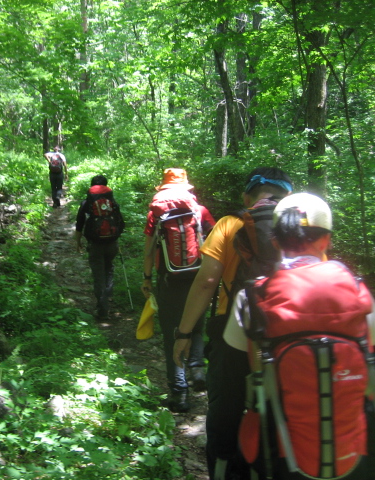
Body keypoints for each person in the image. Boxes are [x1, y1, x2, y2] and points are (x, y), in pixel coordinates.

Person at [224, 193, 375, 480]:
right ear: (326, 240)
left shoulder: (253, 296)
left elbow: (233, 370)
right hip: (354, 452)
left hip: (280, 453)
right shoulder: (358, 292)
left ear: (275, 241)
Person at [172, 167, 293, 480]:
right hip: (288, 337)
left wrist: (184, 333)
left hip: (231, 331)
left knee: (226, 413)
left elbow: (206, 282)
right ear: (288, 196)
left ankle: (224, 467)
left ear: (247, 196)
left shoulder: (230, 224)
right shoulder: (301, 230)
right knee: (281, 414)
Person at [141, 168, 216, 413]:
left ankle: (179, 394)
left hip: (168, 280)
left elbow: (149, 249)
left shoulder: (157, 212)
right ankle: (196, 368)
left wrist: (147, 277)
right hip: (197, 276)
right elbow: (216, 241)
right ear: (186, 188)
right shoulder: (200, 210)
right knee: (195, 324)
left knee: (172, 335)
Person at [74, 175, 125, 320]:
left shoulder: (87, 203)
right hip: (112, 244)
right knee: (108, 269)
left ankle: (102, 310)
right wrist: (115, 237)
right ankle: (107, 300)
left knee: (98, 275)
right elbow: (121, 223)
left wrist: (77, 242)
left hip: (95, 245)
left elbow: (79, 224)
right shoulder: (113, 203)